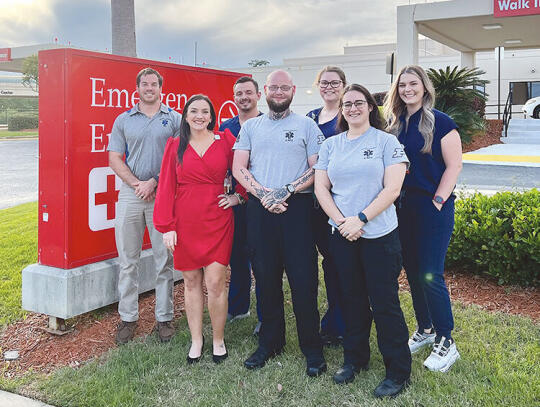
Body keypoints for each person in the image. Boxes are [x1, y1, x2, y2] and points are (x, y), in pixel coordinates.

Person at [314, 84, 411, 398]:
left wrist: (362, 219)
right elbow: (321, 189)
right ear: (341, 110)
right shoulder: (331, 145)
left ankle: (397, 371)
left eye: (358, 103)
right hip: (343, 235)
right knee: (351, 301)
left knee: (384, 305)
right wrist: (343, 222)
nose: (352, 108)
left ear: (371, 106)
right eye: (346, 104)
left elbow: (392, 189)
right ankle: (355, 359)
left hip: (379, 236)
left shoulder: (387, 142)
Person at [232, 69, 326, 377]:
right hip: (260, 210)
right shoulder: (251, 127)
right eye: (274, 87)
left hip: (297, 209)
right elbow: (239, 167)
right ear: (265, 92)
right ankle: (271, 343)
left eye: (284, 87)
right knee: (266, 279)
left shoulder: (307, 126)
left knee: (304, 282)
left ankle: (311, 348)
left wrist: (286, 190)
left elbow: (318, 169)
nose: (279, 91)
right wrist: (262, 194)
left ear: (293, 90)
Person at [153, 94, 246, 364]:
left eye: (205, 111)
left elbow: (243, 170)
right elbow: (166, 187)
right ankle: (197, 340)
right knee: (191, 282)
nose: (199, 116)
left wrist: (238, 196)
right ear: (185, 115)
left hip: (218, 219)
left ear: (211, 116)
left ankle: (218, 339)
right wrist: (166, 226)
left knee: (216, 282)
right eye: (194, 111)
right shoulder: (175, 145)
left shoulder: (226, 141)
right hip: (185, 223)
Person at [384, 65, 463, 373]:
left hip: (433, 207)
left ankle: (447, 340)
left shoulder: (440, 122)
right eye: (402, 84)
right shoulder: (394, 125)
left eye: (413, 83)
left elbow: (454, 166)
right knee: (414, 272)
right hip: (402, 209)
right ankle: (426, 329)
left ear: (424, 87)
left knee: (431, 273)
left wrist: (439, 201)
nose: (407, 89)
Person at [107, 67, 179, 345]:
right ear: (137, 88)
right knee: (128, 260)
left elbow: (179, 157)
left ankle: (164, 318)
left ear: (161, 88)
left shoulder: (173, 119)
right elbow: (115, 158)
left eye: (154, 84)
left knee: (164, 259)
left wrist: (154, 182)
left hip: (163, 194)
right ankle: (128, 318)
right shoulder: (124, 120)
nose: (149, 88)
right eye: (144, 84)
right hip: (131, 194)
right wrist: (138, 183)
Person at [219, 76, 263, 335]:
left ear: (258, 95)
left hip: (260, 199)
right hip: (233, 201)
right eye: (239, 93)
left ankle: (265, 314)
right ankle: (238, 306)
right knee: (237, 256)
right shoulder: (227, 126)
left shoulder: (268, 124)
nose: (244, 97)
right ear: (234, 97)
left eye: (248, 92)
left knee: (262, 258)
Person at [306, 66, 346, 347]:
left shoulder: (351, 113)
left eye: (335, 82)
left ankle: (340, 323)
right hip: (312, 202)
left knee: (339, 264)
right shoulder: (310, 118)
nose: (329, 87)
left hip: (341, 200)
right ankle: (325, 321)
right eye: (324, 82)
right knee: (320, 263)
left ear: (344, 85)